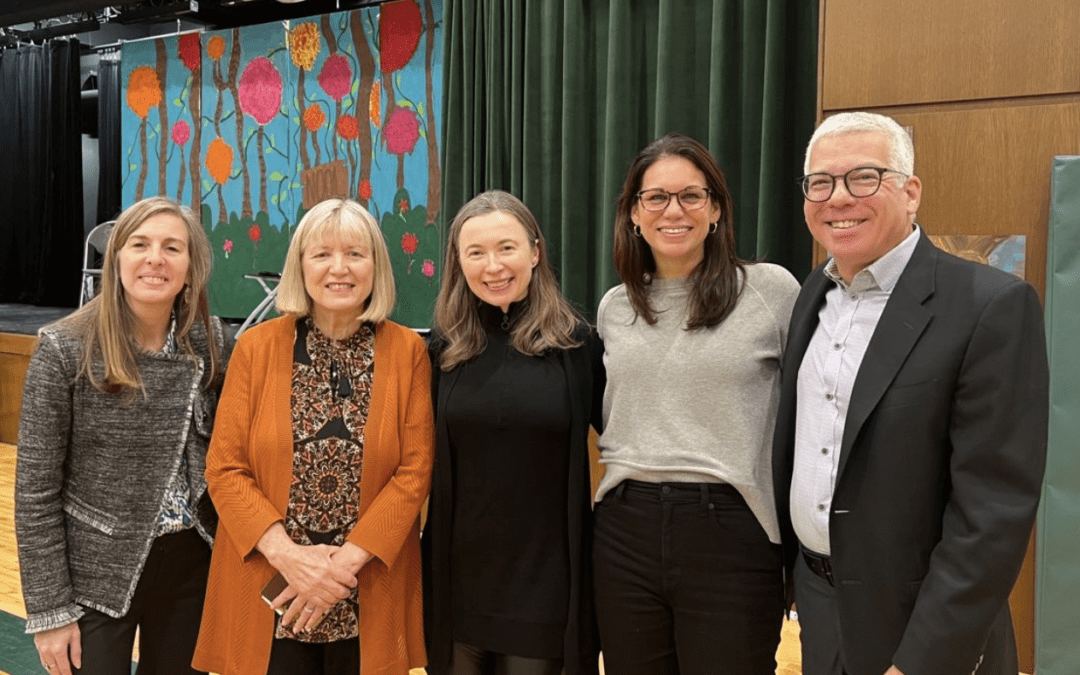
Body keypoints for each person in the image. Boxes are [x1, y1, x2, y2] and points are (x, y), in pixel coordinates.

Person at [773, 111, 1049, 675]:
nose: (838, 198)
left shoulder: (989, 306)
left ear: (911, 191)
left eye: (864, 178)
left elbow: (992, 514)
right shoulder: (811, 297)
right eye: (820, 183)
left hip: (923, 628)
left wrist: (925, 658)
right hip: (822, 611)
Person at [192, 199, 434, 675]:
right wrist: (293, 560)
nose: (338, 268)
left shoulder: (409, 351)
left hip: (367, 585)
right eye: (321, 254)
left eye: (355, 254)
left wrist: (338, 569)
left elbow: (414, 472)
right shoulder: (255, 348)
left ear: (376, 267)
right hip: (270, 584)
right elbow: (224, 468)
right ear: (299, 266)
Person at [593, 132, 800, 675]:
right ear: (634, 215)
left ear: (715, 210)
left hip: (731, 528)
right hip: (623, 528)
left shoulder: (770, 291)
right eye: (655, 197)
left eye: (691, 195)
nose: (673, 210)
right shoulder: (615, 306)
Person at [16, 196, 230, 675]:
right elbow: (35, 494)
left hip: (192, 567)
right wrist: (50, 612)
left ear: (191, 267)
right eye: (140, 244)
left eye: (172, 247)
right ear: (115, 260)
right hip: (96, 571)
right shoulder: (64, 350)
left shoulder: (213, 343)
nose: (155, 258)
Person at [422, 190, 604, 675]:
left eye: (507, 247)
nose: (493, 265)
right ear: (458, 263)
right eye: (475, 252)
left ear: (535, 252)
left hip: (545, 587)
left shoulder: (577, 345)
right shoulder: (444, 348)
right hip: (460, 582)